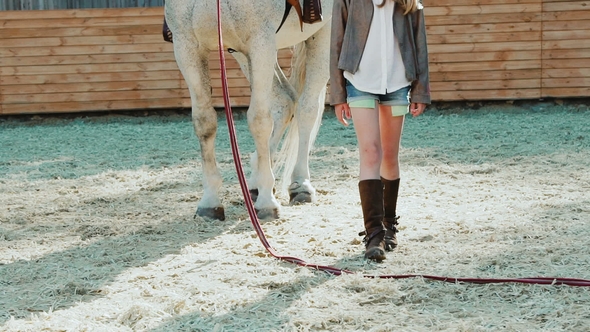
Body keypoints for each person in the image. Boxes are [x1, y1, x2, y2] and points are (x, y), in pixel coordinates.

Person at [329, 0, 431, 262]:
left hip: (398, 84)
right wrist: (338, 94)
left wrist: (420, 90)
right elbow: (337, 40)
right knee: (370, 152)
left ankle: (388, 225)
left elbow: (420, 44)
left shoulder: (407, 2)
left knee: (389, 156)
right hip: (359, 81)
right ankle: (373, 235)